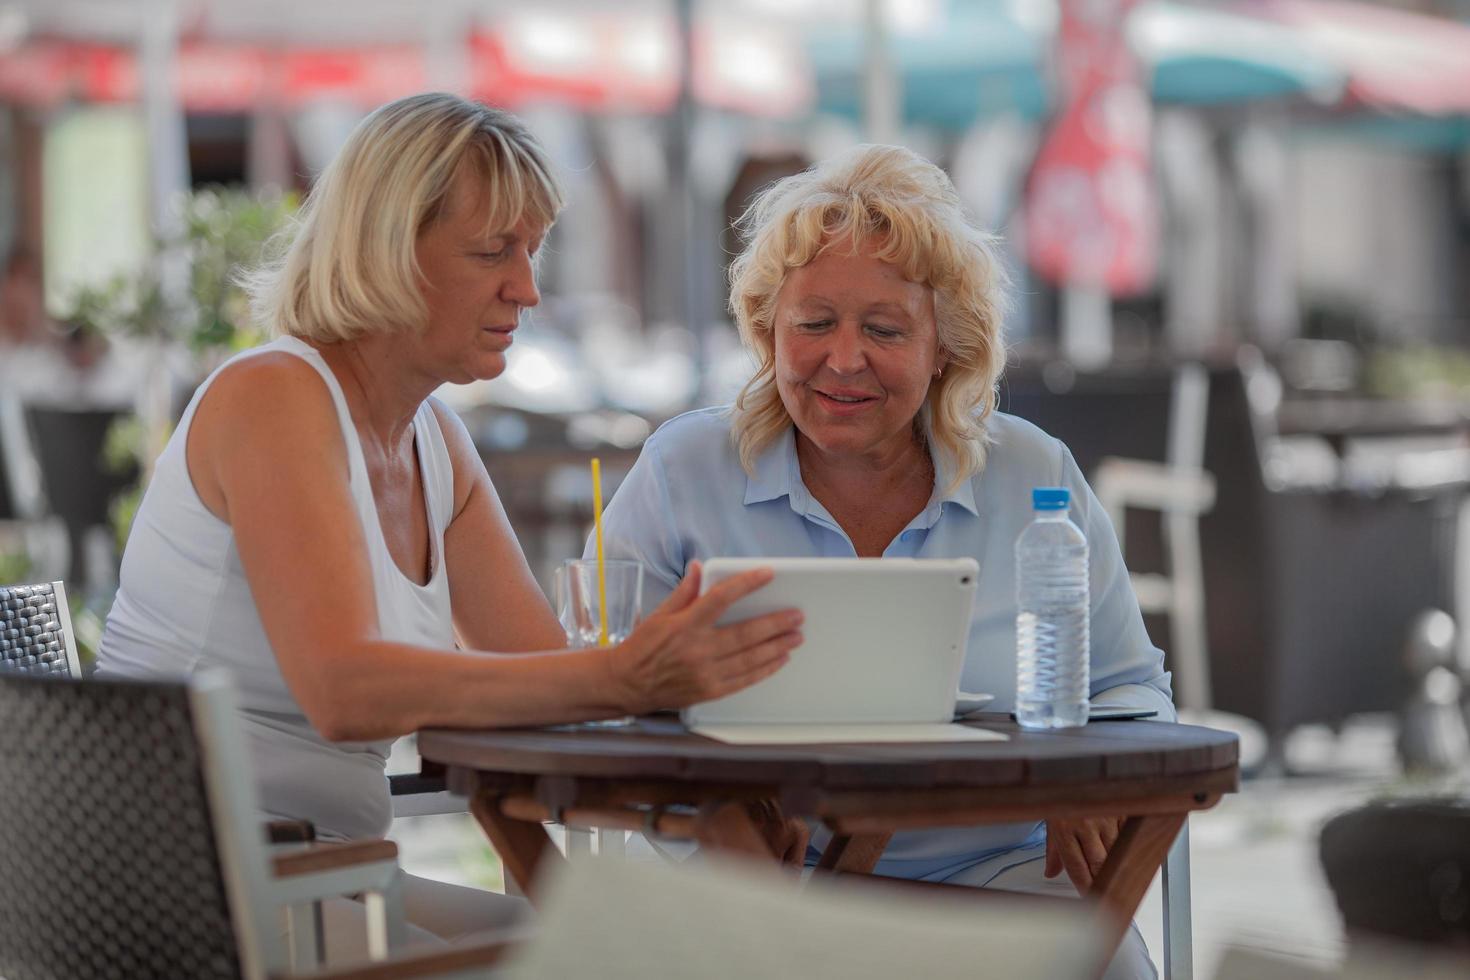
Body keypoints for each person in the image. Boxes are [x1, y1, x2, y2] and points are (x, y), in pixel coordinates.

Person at [96, 93, 802, 960]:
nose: (528, 288)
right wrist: (621, 677)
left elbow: (547, 683)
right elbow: (346, 690)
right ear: (387, 249)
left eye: (532, 250)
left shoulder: (437, 443)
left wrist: (715, 788)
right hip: (175, 891)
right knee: (599, 961)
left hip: (315, 874)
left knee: (628, 951)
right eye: (491, 251)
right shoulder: (274, 397)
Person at [593, 144, 1174, 979]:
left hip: (995, 877)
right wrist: (705, 816)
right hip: (746, 885)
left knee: (1106, 965)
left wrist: (1092, 781)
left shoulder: (1033, 473)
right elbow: (601, 683)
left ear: (946, 346)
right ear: (768, 330)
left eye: (885, 329)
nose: (844, 359)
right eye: (815, 322)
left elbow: (1133, 688)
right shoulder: (683, 471)